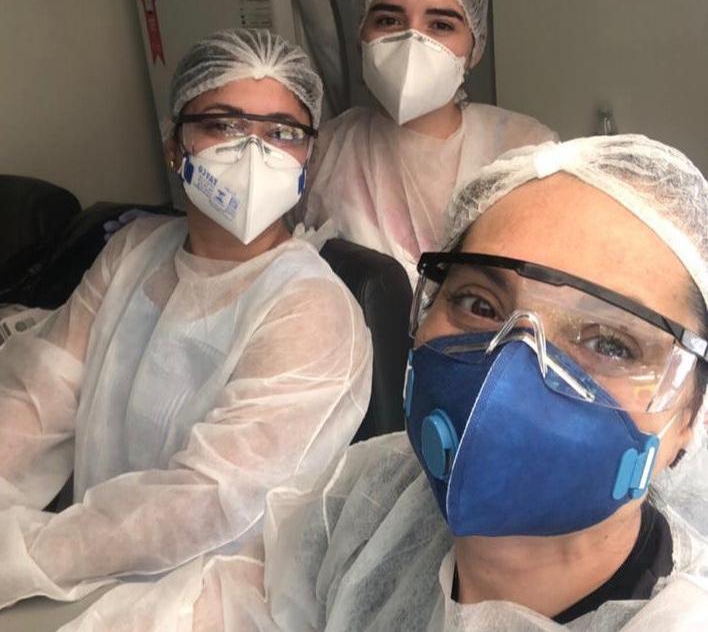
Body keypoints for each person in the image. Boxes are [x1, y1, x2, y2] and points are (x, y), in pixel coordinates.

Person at [61, 135, 708, 631]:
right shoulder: (371, 506)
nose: (511, 372)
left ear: (690, 419)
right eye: (479, 304)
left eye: (610, 344)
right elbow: (222, 608)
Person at [0, 28, 372, 611]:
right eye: (223, 125)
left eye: (281, 132)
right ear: (175, 145)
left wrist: (23, 556)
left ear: (309, 156)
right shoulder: (133, 252)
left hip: (211, 597)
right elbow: (37, 401)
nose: (253, 154)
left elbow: (204, 501)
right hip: (86, 563)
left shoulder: (314, 311)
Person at [302, 0, 558, 282]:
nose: (413, 41)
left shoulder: (523, 151)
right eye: (388, 20)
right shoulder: (324, 152)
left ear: (474, 47)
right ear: (361, 35)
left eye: (440, 25)